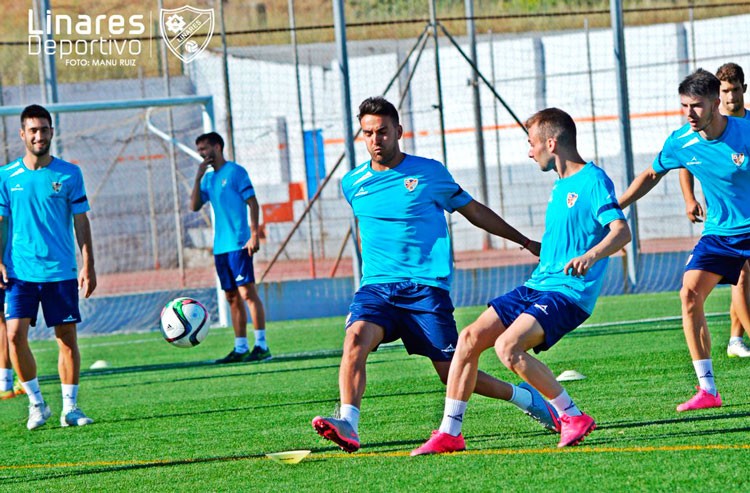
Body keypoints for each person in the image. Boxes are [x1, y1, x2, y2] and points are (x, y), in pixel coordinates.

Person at [312, 96, 554, 454]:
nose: (376, 140)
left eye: (382, 132)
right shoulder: (353, 184)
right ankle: (348, 421)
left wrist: (523, 240)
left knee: (451, 372)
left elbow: (473, 211)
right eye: (367, 133)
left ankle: (523, 397)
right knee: (354, 340)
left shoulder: (429, 173)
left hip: (425, 290)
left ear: (398, 131)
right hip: (376, 288)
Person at [411, 108, 630, 454]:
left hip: (569, 292)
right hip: (538, 284)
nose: (529, 152)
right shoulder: (559, 187)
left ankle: (572, 415)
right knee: (468, 339)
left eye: (532, 144)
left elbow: (621, 232)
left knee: (507, 348)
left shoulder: (593, 180)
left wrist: (591, 256)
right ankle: (450, 432)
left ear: (551, 143)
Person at [619, 69, 750, 412]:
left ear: (716, 102)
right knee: (689, 293)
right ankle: (708, 389)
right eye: (684, 106)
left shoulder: (746, 131)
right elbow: (651, 175)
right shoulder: (680, 142)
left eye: (696, 105)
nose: (689, 113)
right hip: (720, 233)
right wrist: (616, 205)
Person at [0, 104, 96, 429]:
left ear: (52, 132)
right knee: (14, 335)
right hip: (19, 273)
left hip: (61, 271)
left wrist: (88, 265)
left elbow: (82, 222)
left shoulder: (70, 174)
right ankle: (37, 404)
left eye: (44, 129)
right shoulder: (6, 176)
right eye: (33, 130)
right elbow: (1, 223)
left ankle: (71, 408)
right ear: (22, 135)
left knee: (67, 338)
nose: (39, 135)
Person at [678, 63, 750, 358]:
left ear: (743, 90)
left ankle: (735, 336)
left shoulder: (745, 127)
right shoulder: (702, 130)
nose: (730, 96)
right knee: (742, 277)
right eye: (725, 90)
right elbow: (685, 161)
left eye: (735, 89)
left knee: (745, 280)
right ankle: (735, 339)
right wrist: (689, 198)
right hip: (727, 226)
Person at [190, 132, 270, 364]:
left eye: (205, 149)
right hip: (220, 248)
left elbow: (252, 203)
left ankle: (262, 345)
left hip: (239, 243)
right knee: (232, 297)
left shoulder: (236, 172)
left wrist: (254, 234)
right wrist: (197, 178)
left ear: (218, 146)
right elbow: (195, 206)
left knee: (247, 293)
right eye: (200, 151)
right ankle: (240, 347)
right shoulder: (208, 179)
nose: (203, 154)